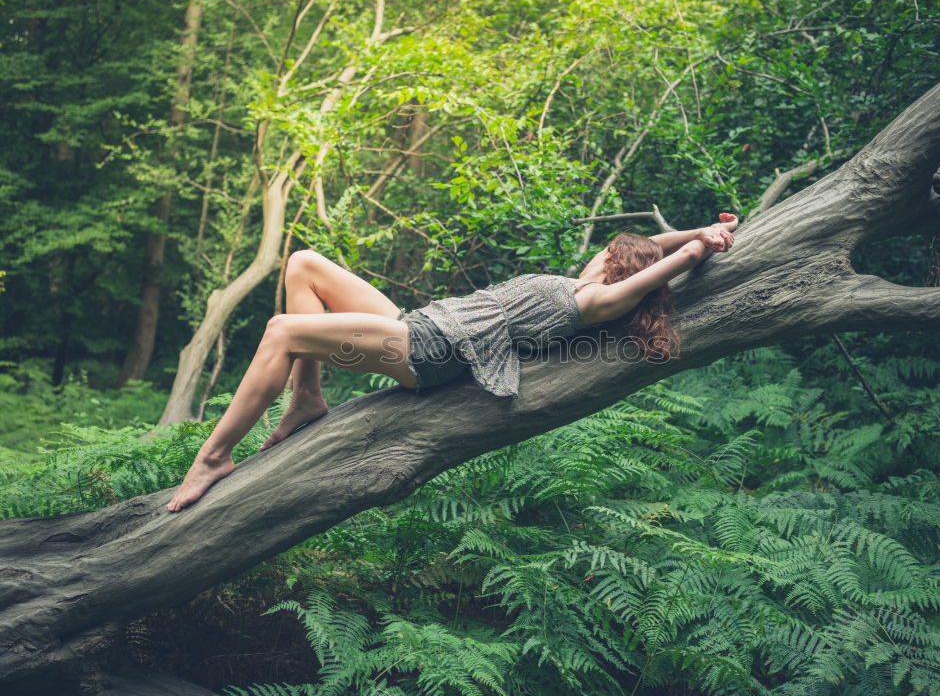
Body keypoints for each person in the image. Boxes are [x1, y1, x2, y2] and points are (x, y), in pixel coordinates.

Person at [166, 213, 737, 512]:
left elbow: (658, 265)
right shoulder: (574, 284)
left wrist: (699, 247)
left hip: (433, 351)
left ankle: (213, 457)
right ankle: (306, 398)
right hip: (424, 325)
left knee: (282, 330)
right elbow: (656, 250)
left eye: (610, 253)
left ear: (618, 270)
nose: (599, 252)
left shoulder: (594, 301)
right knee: (303, 264)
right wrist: (693, 230)